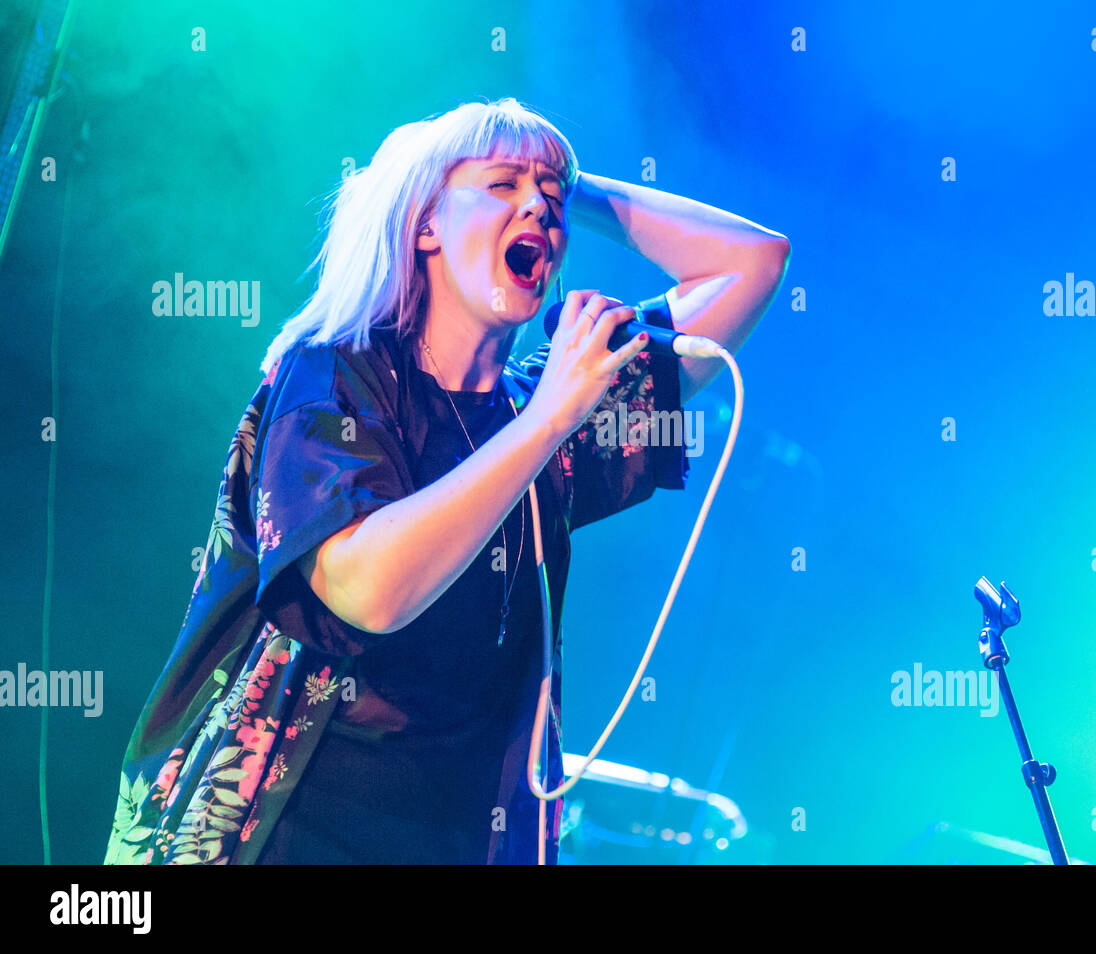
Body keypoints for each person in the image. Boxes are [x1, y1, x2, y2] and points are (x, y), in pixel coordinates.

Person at [104, 97, 789, 864]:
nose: (538, 207)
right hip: (288, 827)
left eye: (550, 201)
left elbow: (753, 262)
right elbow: (367, 592)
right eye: (499, 186)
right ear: (425, 223)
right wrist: (548, 421)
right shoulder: (335, 374)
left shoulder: (546, 405)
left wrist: (564, 182)